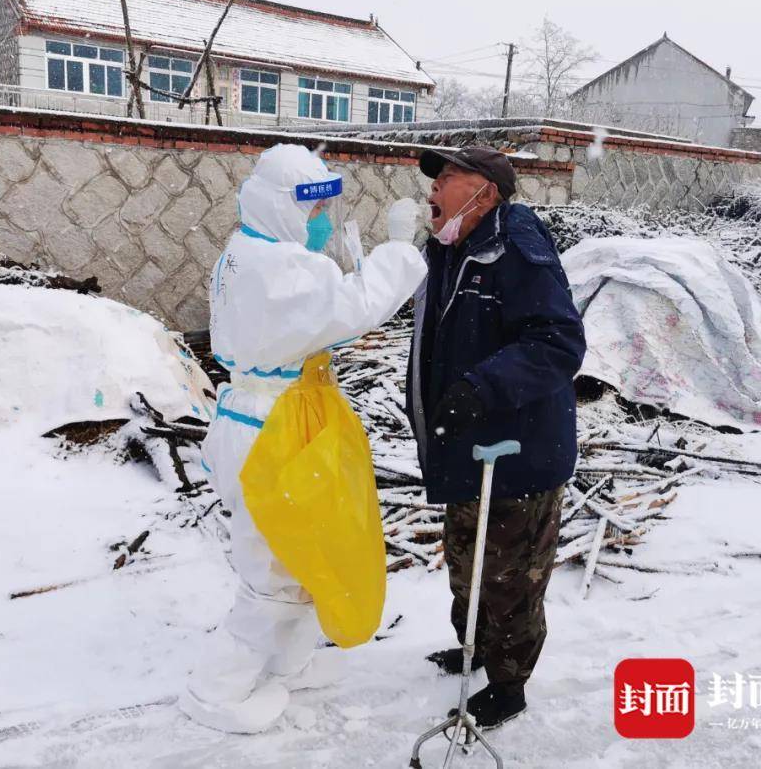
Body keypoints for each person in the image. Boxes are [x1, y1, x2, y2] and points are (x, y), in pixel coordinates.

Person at [182, 143, 427, 734]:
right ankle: (216, 689)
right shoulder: (281, 269)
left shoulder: (250, 251)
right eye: (311, 210)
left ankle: (288, 662)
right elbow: (353, 308)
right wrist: (396, 251)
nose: (319, 223)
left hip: (266, 415)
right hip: (274, 428)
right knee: (272, 566)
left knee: (300, 552)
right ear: (280, 207)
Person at [405, 146, 586, 729]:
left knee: (510, 577)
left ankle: (510, 685)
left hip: (517, 450)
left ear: (486, 190)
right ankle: (475, 647)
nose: (433, 186)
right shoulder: (451, 248)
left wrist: (484, 387)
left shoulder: (520, 250)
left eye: (449, 176)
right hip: (467, 444)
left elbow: (559, 342)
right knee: (467, 560)